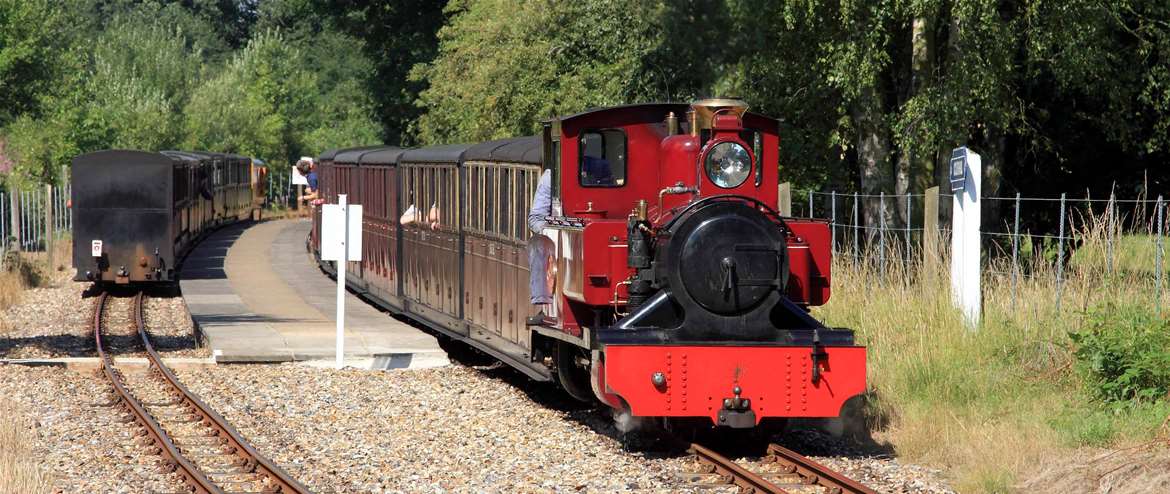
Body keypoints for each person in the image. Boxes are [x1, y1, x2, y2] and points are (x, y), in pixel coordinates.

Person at [527, 169, 554, 305]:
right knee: (537, 242)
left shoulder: (600, 167)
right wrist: (550, 231)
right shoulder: (550, 177)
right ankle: (541, 296)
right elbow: (536, 218)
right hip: (559, 238)